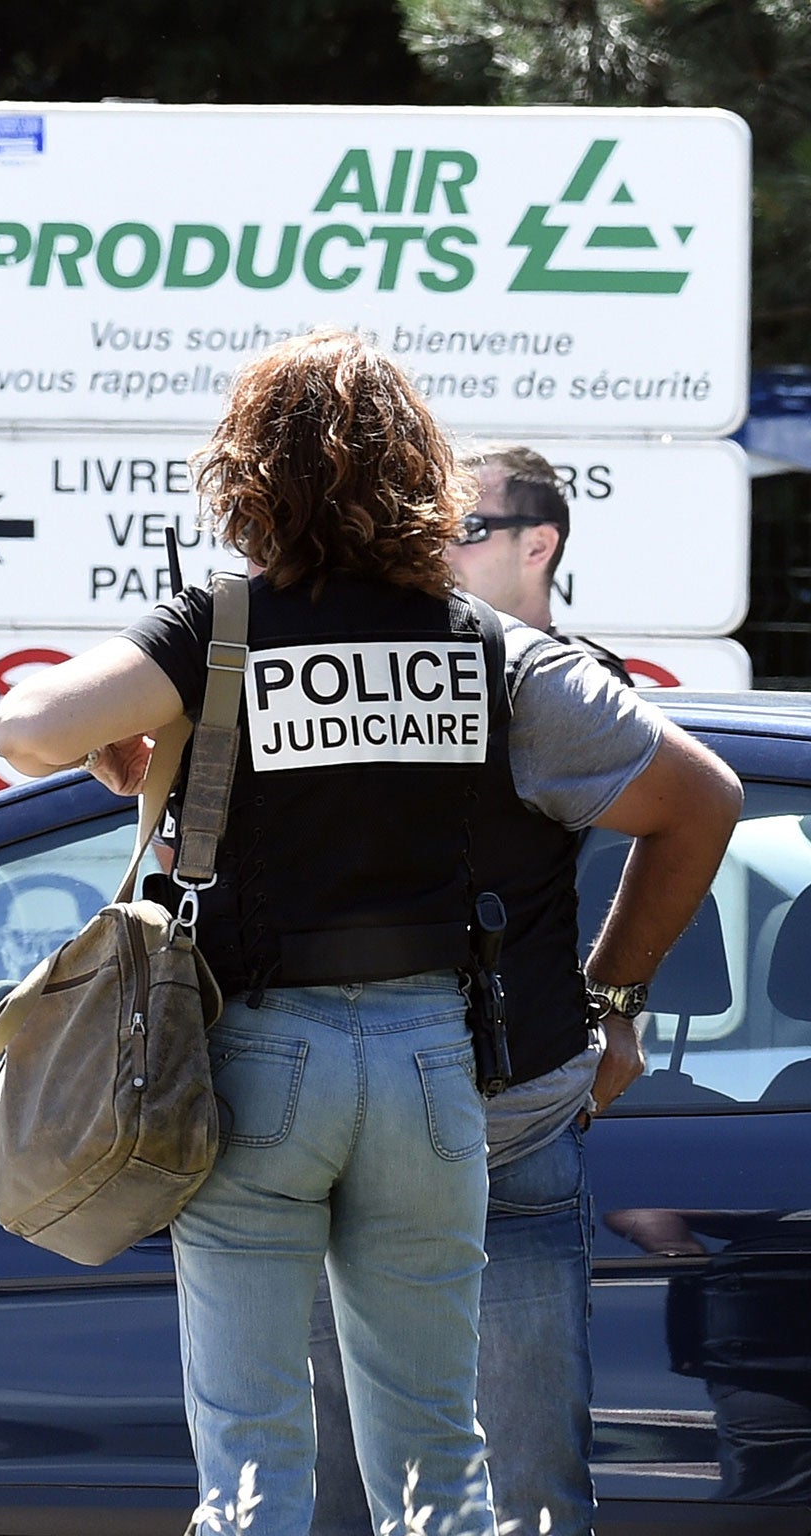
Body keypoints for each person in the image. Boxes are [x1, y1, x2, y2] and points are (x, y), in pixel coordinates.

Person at [0, 329, 740, 1536]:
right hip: (435, 1070)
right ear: (420, 478)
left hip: (257, 1064)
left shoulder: (218, 628)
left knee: (251, 1463)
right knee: (440, 1465)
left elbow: (23, 726)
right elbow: (701, 797)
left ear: (246, 475)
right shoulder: (484, 648)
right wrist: (611, 1004)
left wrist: (119, 727)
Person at [310, 439, 660, 1534]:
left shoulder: (575, 696)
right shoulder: (400, 679)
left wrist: (613, 1010)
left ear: (535, 542)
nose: (433, 553)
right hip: (365, 1110)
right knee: (348, 1499)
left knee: (523, 1500)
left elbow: (690, 829)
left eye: (456, 531)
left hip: (527, 1109)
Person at [445, 443, 631, 681]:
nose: (442, 549)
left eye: (467, 528)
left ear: (537, 546)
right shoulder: (416, 667)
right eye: (438, 529)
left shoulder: (591, 682)